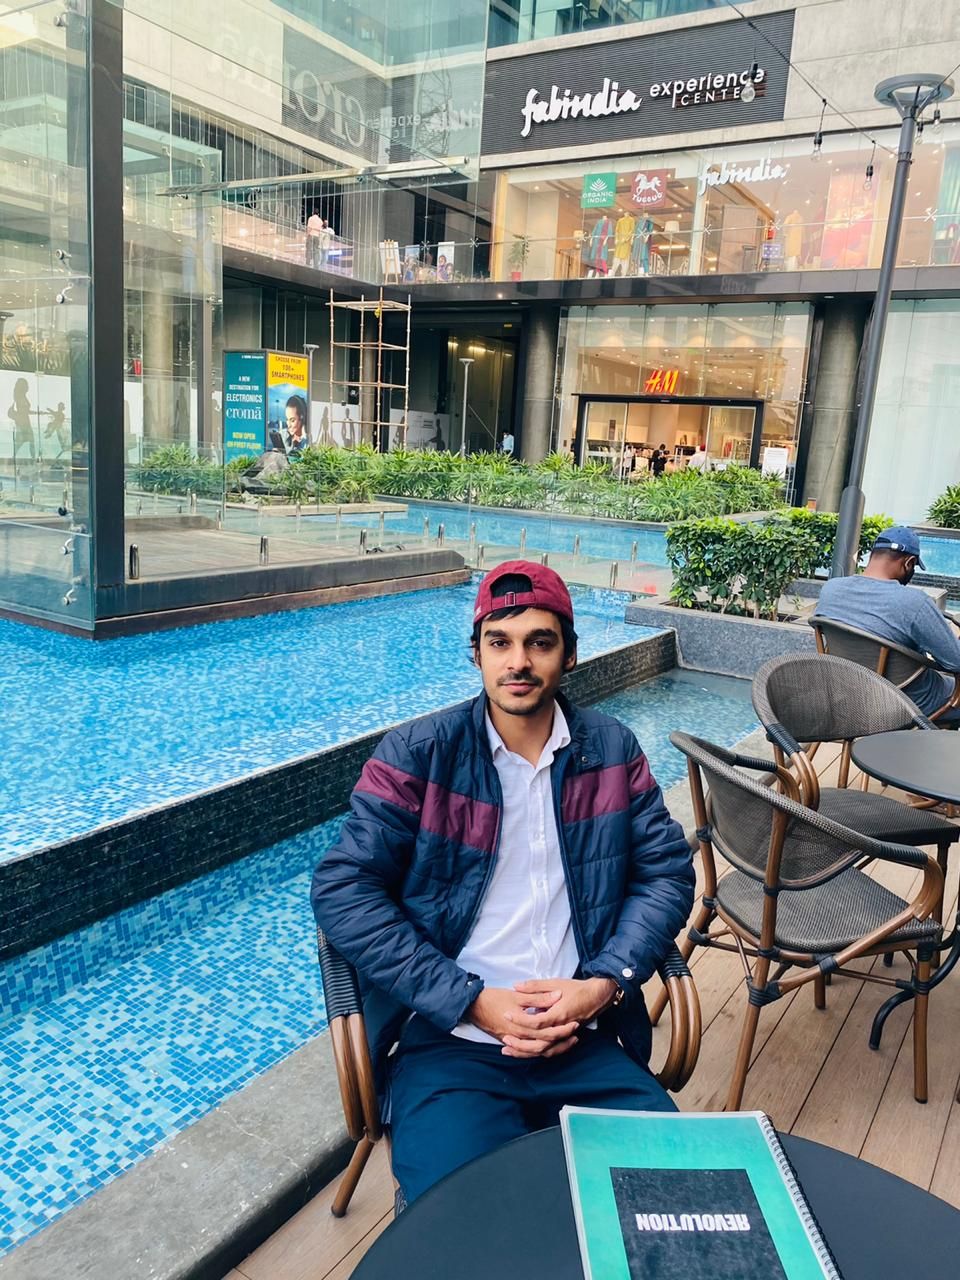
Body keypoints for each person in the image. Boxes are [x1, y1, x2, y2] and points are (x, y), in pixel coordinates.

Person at [311, 561, 695, 1206]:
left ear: (569, 654)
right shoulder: (417, 755)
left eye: (540, 642)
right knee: (462, 1224)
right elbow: (343, 888)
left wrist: (604, 984)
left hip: (585, 1038)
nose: (519, 662)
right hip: (452, 1047)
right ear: (478, 653)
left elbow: (666, 873)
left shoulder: (612, 750)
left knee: (676, 1203)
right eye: (500, 642)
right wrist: (469, 1001)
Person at [814, 525, 960, 721]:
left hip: (847, 696)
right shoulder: (914, 602)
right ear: (909, 562)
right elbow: (955, 661)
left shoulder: (831, 590)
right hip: (909, 702)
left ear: (873, 555)